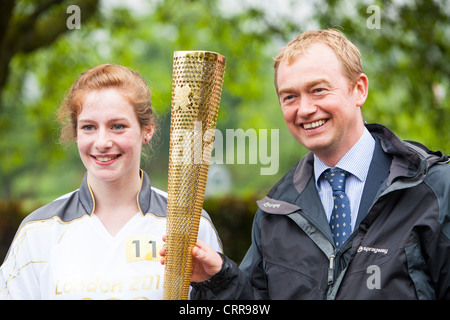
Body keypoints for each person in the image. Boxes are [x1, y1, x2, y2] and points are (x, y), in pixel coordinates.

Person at [160, 29, 450, 299]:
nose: (306, 109)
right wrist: (219, 278)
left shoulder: (434, 189)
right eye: (290, 97)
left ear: (359, 89)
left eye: (319, 90)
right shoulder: (276, 211)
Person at [0, 64, 222, 300]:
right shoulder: (38, 231)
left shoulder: (189, 223)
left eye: (118, 126)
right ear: (76, 134)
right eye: (89, 127)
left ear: (147, 130)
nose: (102, 142)